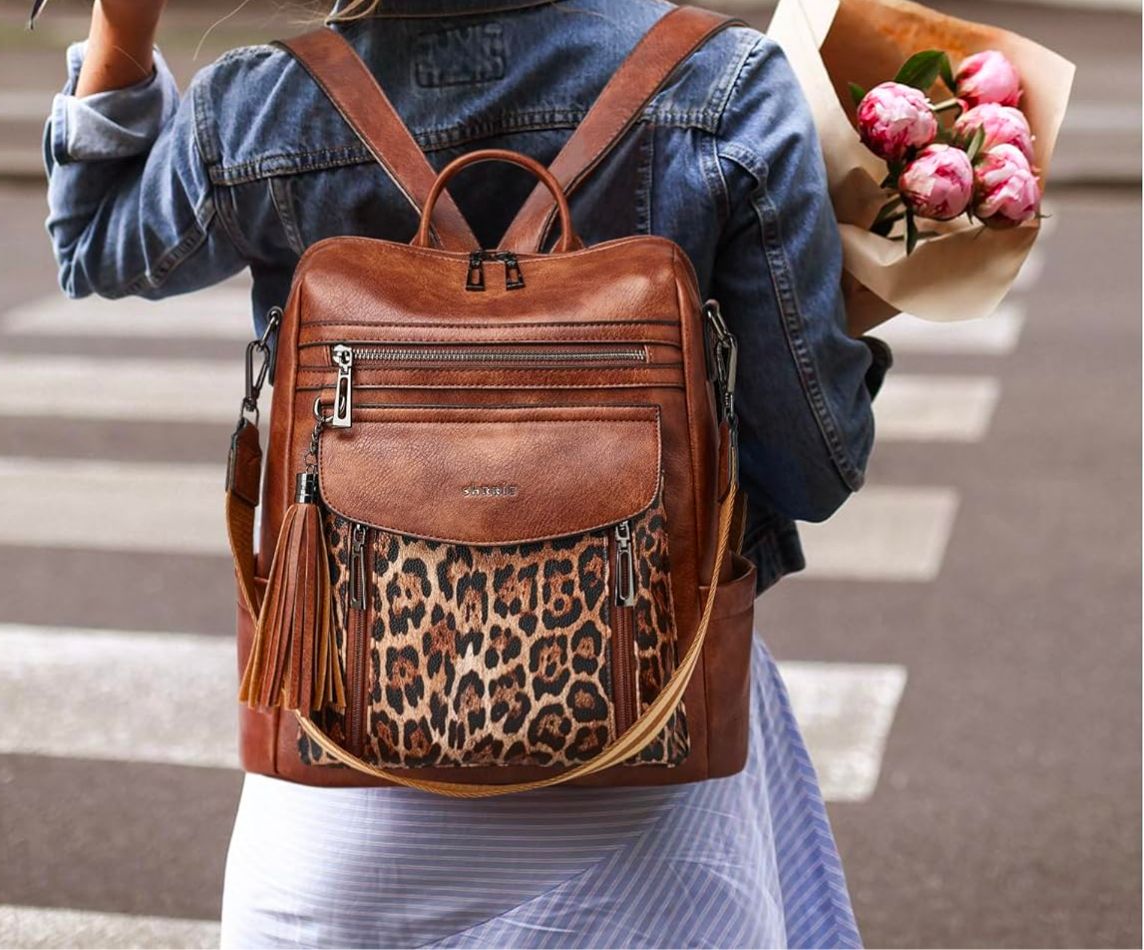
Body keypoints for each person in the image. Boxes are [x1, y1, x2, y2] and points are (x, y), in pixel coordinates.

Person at [44, 0, 890, 945]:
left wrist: (124, 25)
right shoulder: (724, 83)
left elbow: (91, 246)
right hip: (647, 751)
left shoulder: (260, 102)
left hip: (339, 779)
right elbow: (812, 466)